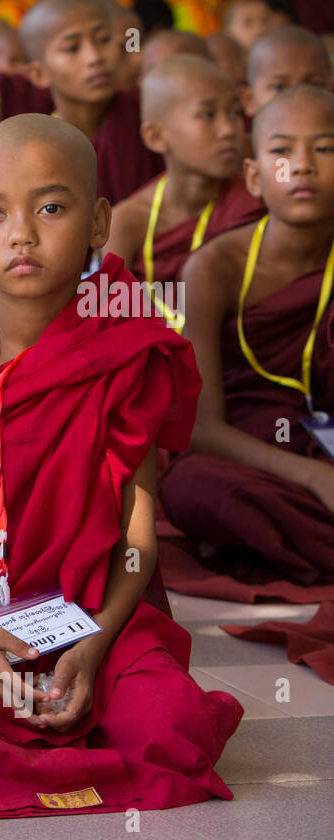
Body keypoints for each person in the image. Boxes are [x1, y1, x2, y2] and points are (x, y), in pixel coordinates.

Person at [0, 113, 242, 819]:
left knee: (171, 725)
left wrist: (98, 639)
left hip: (93, 608)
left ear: (99, 221)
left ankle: (71, 726)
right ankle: (35, 743)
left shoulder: (130, 348)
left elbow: (139, 540)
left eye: (50, 207)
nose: (22, 234)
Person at [163, 86, 334, 593]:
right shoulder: (216, 267)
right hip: (260, 456)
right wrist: (312, 477)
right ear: (255, 177)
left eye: (325, 148)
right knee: (193, 486)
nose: (302, 166)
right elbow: (201, 428)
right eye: (282, 151)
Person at [103, 55, 261, 329]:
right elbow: (110, 323)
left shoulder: (256, 199)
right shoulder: (127, 223)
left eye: (235, 113)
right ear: (156, 137)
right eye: (208, 115)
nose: (228, 130)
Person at [19, 0, 162, 204]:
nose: (94, 57)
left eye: (103, 40)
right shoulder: (33, 148)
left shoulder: (151, 112)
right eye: (72, 48)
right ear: (39, 74)